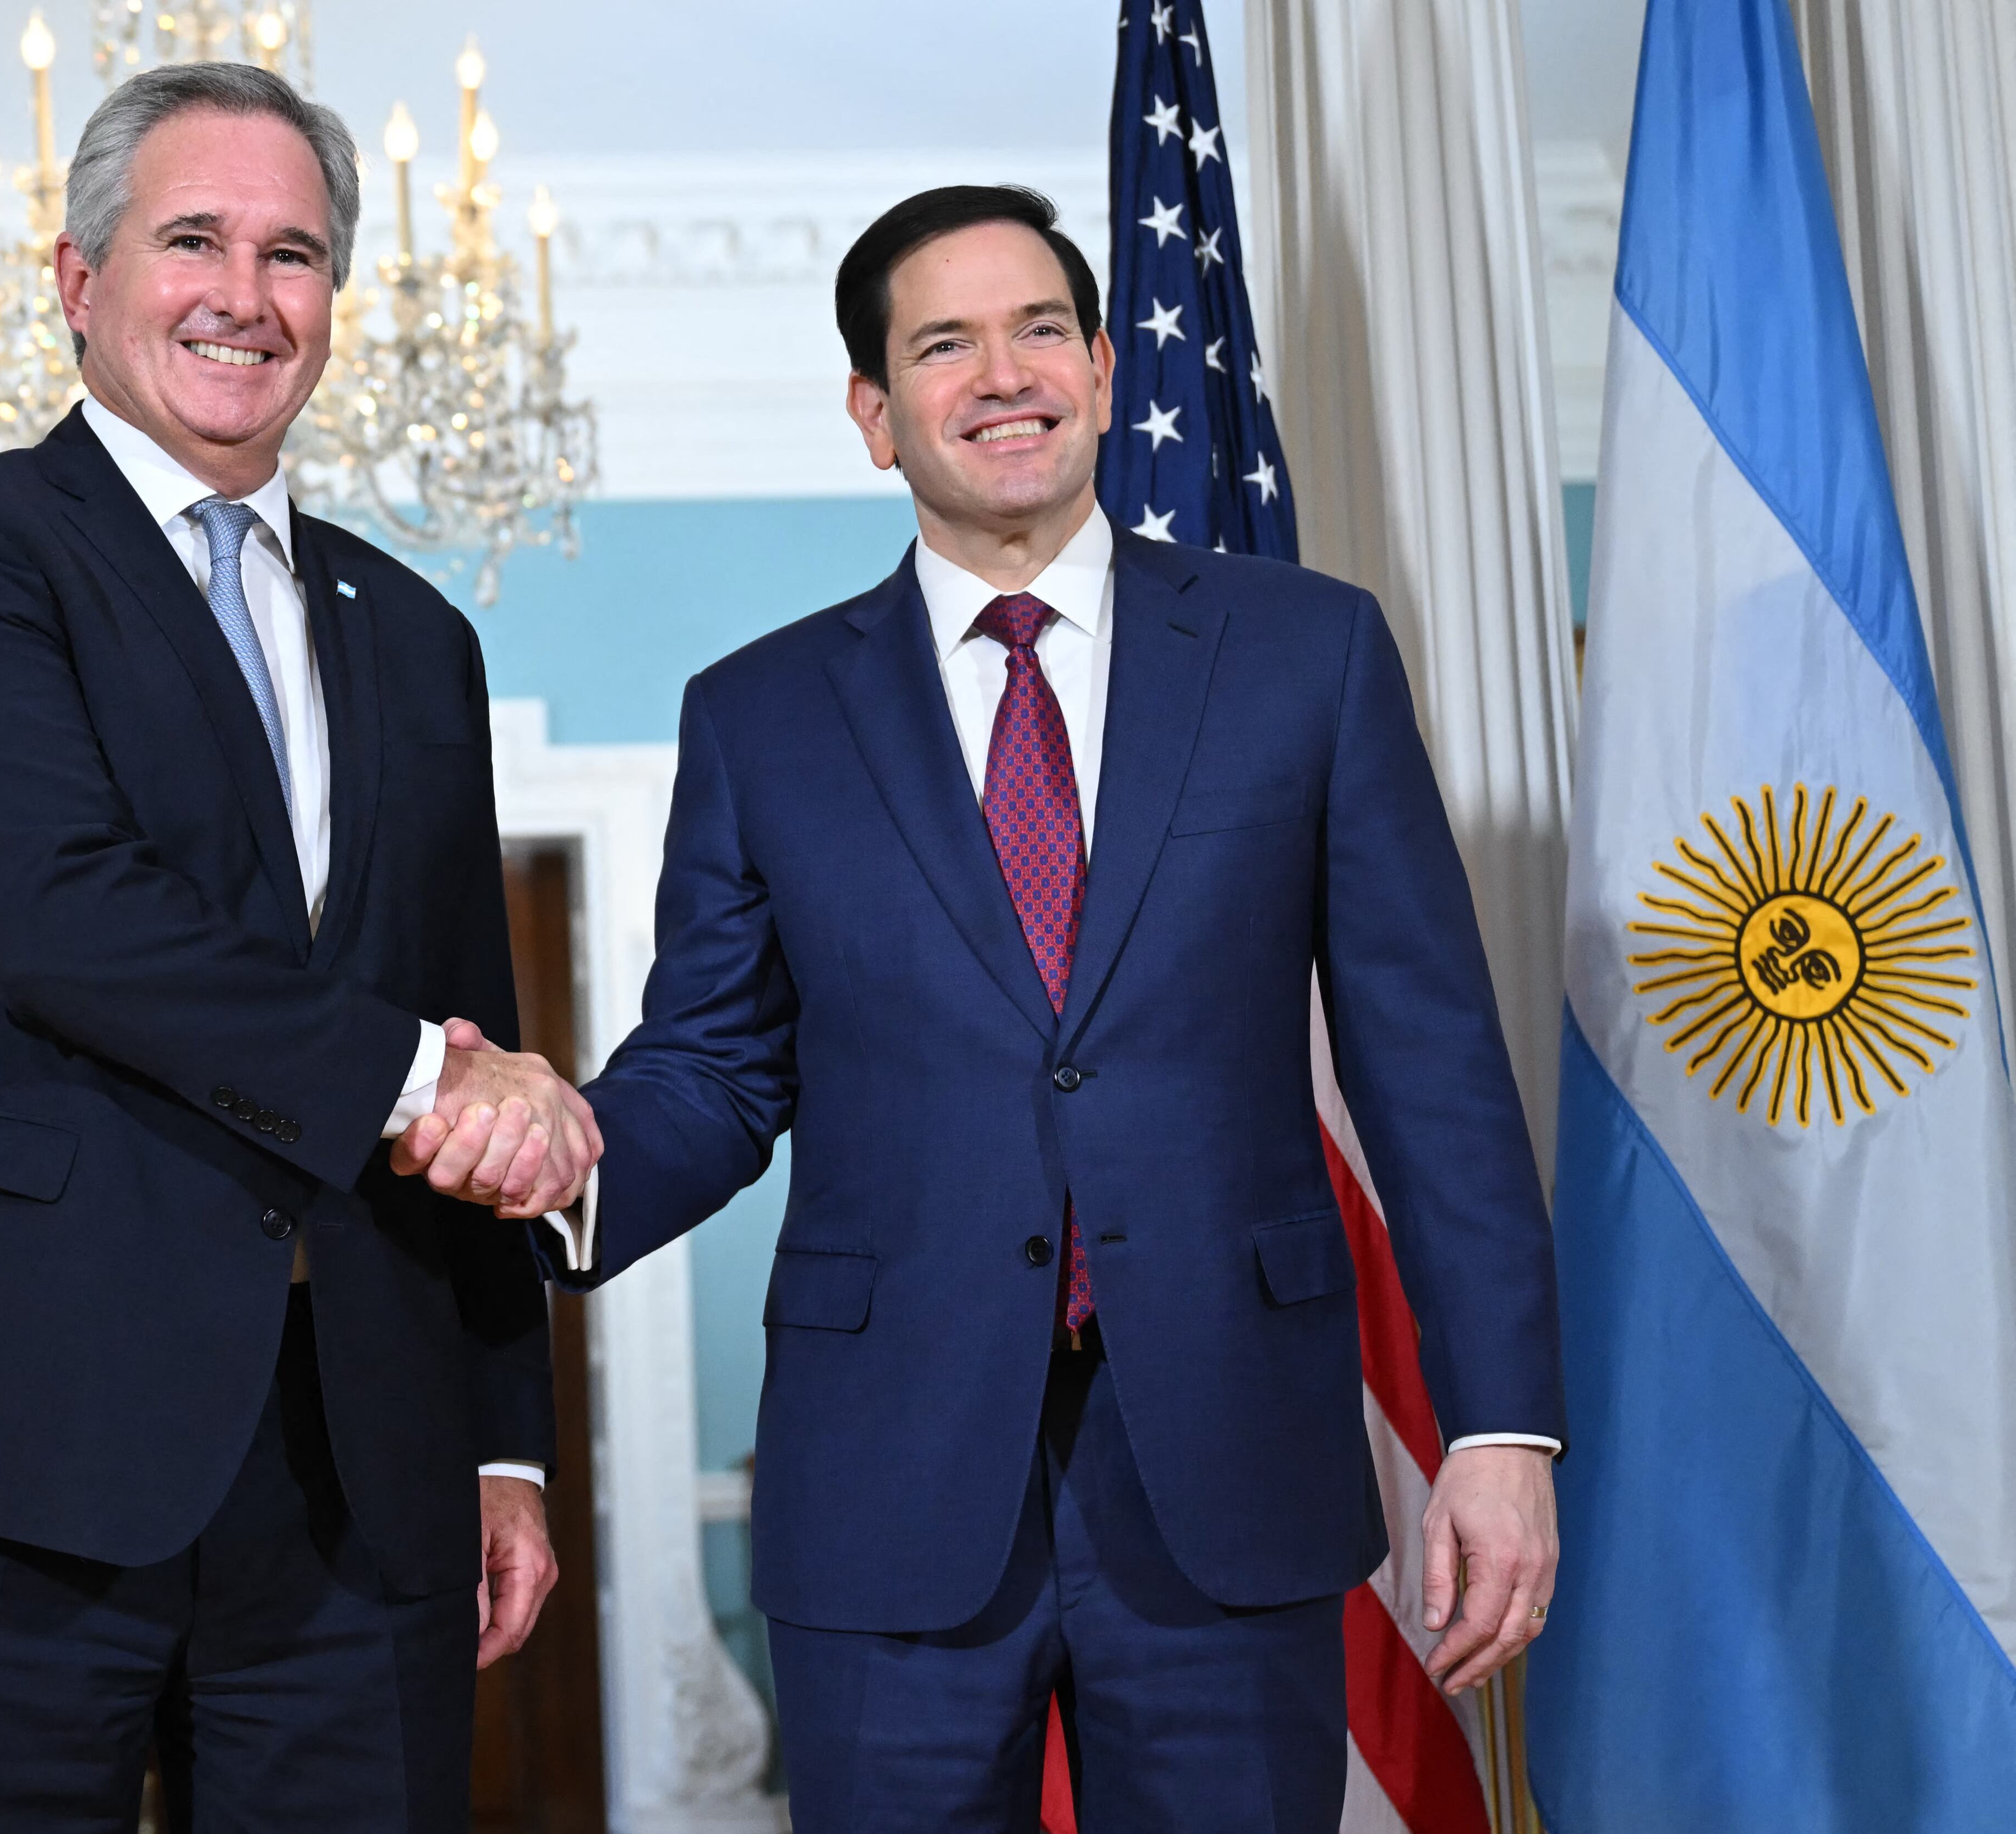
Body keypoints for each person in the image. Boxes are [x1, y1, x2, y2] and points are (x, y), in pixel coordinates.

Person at [402, 185, 1565, 1832]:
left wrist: (1501, 1427)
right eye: (945, 344)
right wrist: (557, 1158)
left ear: (1102, 371)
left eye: (1039, 331)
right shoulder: (761, 715)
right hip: (889, 1487)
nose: (1004, 374)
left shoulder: (1307, 656)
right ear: (875, 414)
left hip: (1233, 1464)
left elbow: (1431, 1066)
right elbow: (717, 1071)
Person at [0, 62, 598, 1834]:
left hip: (360, 1467)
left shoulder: (415, 634)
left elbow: (473, 1010)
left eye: (294, 255)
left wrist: (500, 1438)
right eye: (194, 239)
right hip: (3, 1441)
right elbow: (59, 911)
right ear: (80, 281)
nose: (246, 295)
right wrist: (427, 1078)